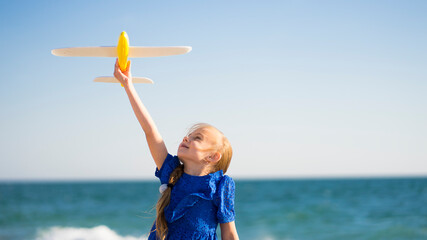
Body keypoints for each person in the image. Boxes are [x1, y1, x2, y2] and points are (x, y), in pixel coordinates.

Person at [113, 59, 239, 240]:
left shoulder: (221, 185)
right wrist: (128, 85)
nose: (186, 138)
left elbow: (229, 233)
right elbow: (150, 131)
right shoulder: (171, 171)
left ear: (212, 156)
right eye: (189, 135)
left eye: (197, 138)